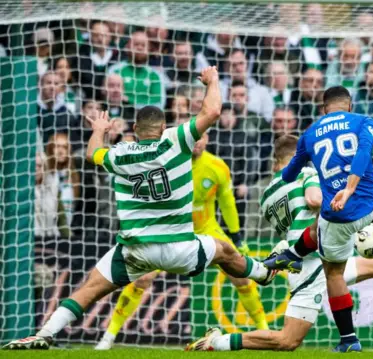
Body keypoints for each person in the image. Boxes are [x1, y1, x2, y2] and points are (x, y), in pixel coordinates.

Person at [2, 66, 278, 351]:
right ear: (163, 128)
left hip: (136, 249)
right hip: (179, 248)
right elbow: (213, 112)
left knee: (89, 289)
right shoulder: (176, 141)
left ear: (134, 130)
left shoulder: (120, 152)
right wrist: (212, 81)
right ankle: (263, 272)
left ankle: (44, 333)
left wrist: (99, 130)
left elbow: (91, 153)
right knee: (225, 251)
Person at [184, 135, 373, 352]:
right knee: (287, 340)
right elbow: (314, 200)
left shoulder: (266, 194)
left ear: (274, 162)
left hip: (314, 255)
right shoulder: (306, 173)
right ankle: (217, 342)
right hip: (310, 264)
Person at [95, 131, 270, 349]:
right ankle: (108, 337)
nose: (197, 142)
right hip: (169, 230)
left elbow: (227, 202)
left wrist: (236, 235)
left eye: (202, 137)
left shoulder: (218, 167)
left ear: (207, 139)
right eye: (194, 137)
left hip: (206, 228)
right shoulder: (169, 162)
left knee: (241, 276)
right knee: (141, 279)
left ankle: (265, 330)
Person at [261, 86, 373, 352]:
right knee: (321, 226)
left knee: (334, 273)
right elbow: (362, 154)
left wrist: (338, 186)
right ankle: (293, 253)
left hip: (341, 213)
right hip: (369, 203)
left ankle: (349, 339)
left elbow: (290, 174)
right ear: (349, 105)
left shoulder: (309, 133)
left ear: (323, 108)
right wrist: (350, 188)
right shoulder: (364, 121)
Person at [107, 31, 166, 109]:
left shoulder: (155, 75)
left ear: (149, 49)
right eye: (136, 44)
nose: (139, 48)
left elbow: (159, 104)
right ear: (127, 46)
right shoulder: (115, 70)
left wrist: (129, 100)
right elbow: (109, 98)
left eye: (143, 45)